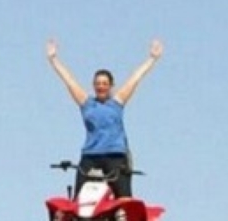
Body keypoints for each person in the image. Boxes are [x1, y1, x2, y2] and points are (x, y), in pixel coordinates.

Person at [46, 38, 164, 199]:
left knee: (124, 200)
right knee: (78, 199)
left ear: (110, 86)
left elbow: (135, 78)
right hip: (91, 156)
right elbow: (69, 81)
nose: (101, 86)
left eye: (104, 83)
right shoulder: (87, 104)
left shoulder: (117, 102)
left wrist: (152, 58)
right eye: (98, 83)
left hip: (115, 156)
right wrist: (53, 59)